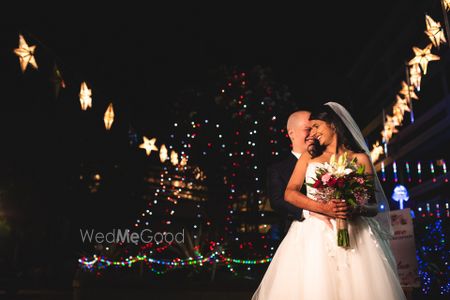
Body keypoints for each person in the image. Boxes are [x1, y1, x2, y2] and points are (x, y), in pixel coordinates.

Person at [252, 102, 405, 300]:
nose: (313, 133)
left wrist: (355, 208)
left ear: (333, 124)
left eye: (316, 126)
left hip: (357, 234)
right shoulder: (309, 157)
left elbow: (373, 205)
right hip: (315, 235)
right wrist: (323, 208)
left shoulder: (360, 159)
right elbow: (289, 193)